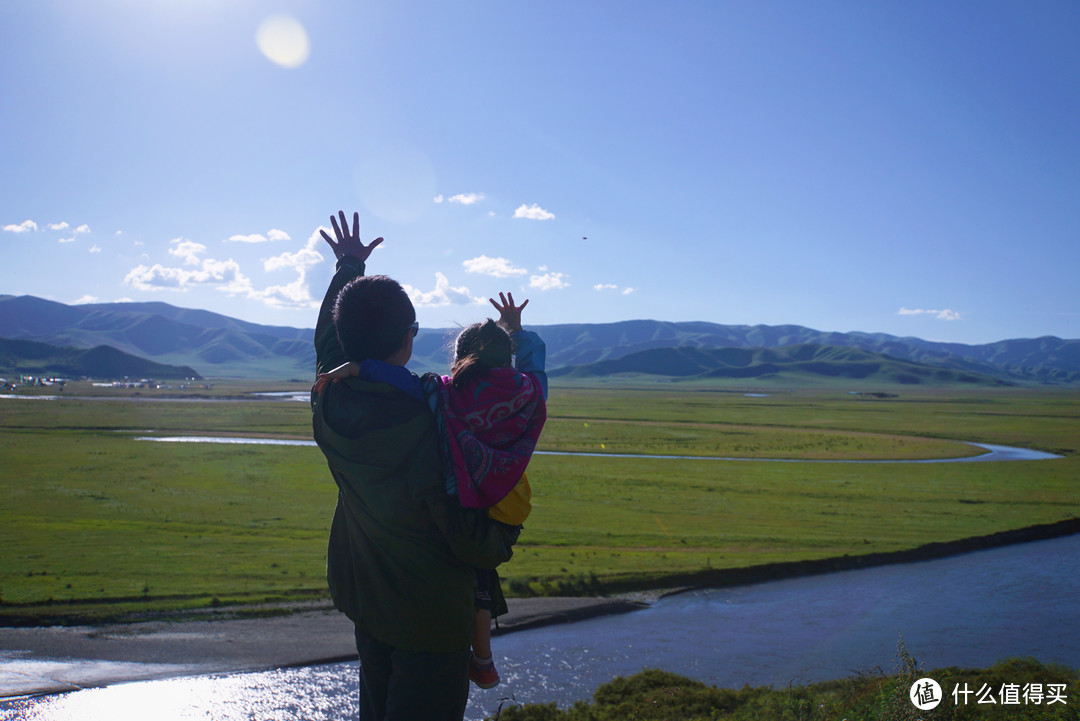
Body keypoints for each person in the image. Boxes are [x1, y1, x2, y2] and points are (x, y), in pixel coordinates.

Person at [311, 211, 519, 721]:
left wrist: (348, 267)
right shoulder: (437, 427)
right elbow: (470, 540)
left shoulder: (330, 399)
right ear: (408, 339)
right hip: (430, 621)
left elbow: (329, 343)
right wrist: (504, 537)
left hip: (368, 602)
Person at [323, 293, 548, 690]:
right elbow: (537, 362)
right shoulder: (531, 392)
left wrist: (360, 368)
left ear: (458, 359)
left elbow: (405, 382)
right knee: (482, 570)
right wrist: (518, 331)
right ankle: (484, 660)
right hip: (509, 506)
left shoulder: (446, 393)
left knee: (476, 580)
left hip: (468, 498)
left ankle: (482, 660)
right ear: (507, 357)